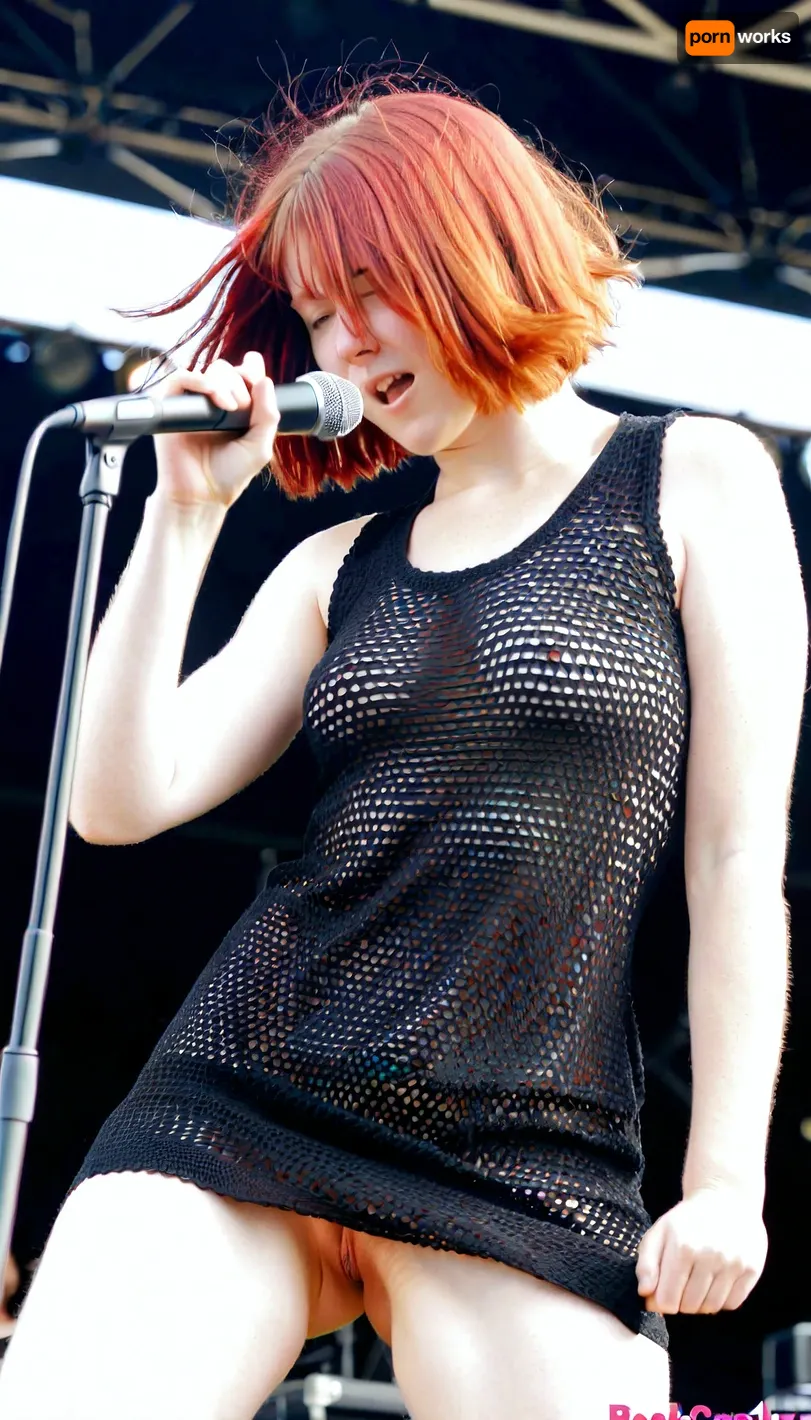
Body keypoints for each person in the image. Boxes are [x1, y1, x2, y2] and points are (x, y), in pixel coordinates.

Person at [0, 66, 805, 1420]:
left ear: (474, 250)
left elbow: (735, 859)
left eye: (365, 291)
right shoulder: (334, 568)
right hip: (244, 1097)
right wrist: (183, 517)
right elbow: (117, 803)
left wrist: (725, 1178)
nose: (342, 347)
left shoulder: (692, 480)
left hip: (522, 1147)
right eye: (314, 314)